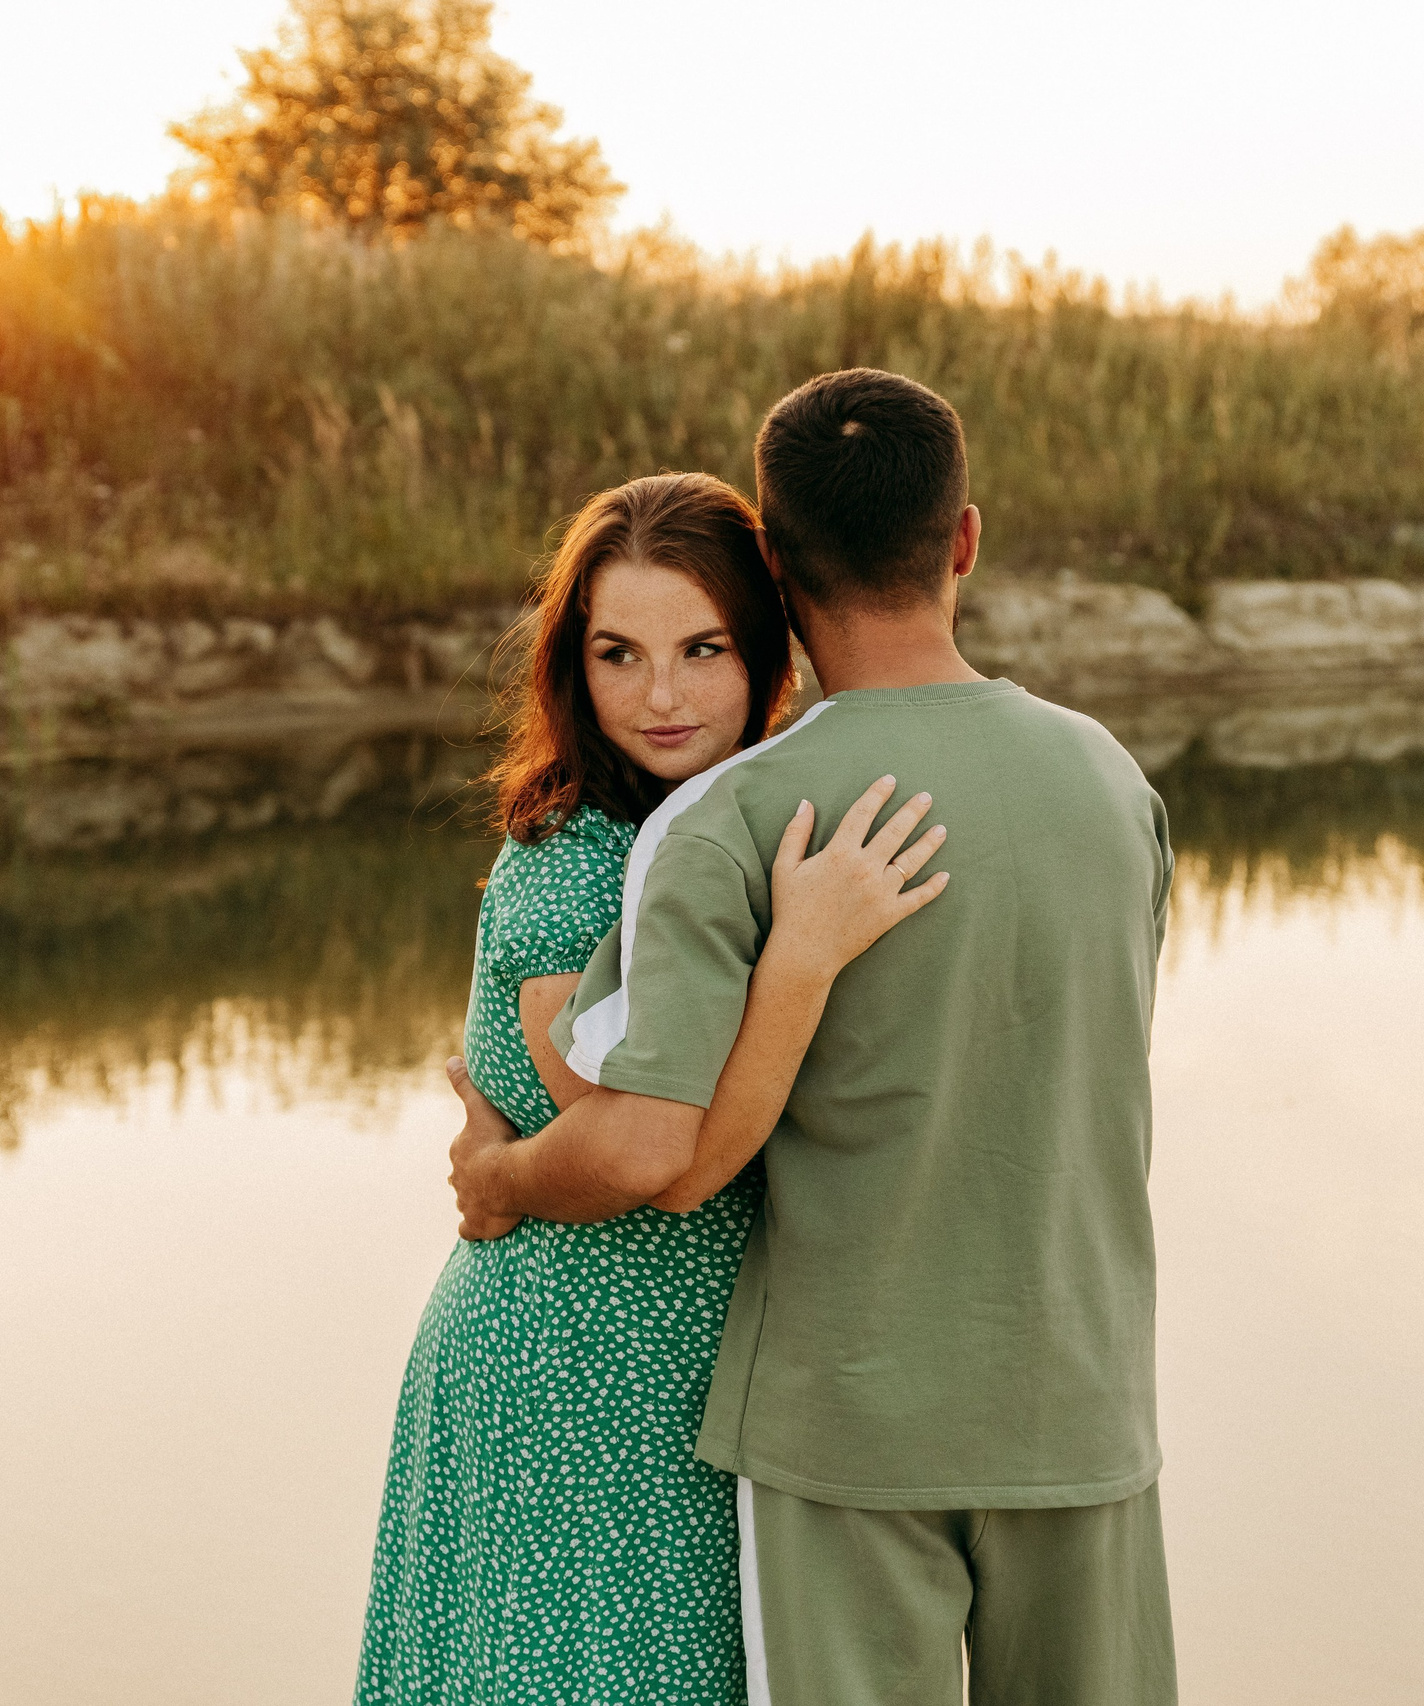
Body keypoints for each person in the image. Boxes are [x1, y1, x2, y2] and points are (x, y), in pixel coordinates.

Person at [448, 370, 1178, 1705]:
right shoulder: (1111, 782)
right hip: (1084, 1403)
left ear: (773, 572)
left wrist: (496, 1173)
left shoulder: (732, 815)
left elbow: (639, 1135)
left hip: (849, 1435)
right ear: (964, 538)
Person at [356, 471, 952, 1705]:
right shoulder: (573, 864)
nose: (662, 694)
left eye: (701, 647)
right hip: (575, 1376)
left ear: (765, 647)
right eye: (618, 653)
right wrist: (801, 954)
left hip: (706, 1380)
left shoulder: (739, 824)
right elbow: (642, 1149)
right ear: (573, 665)